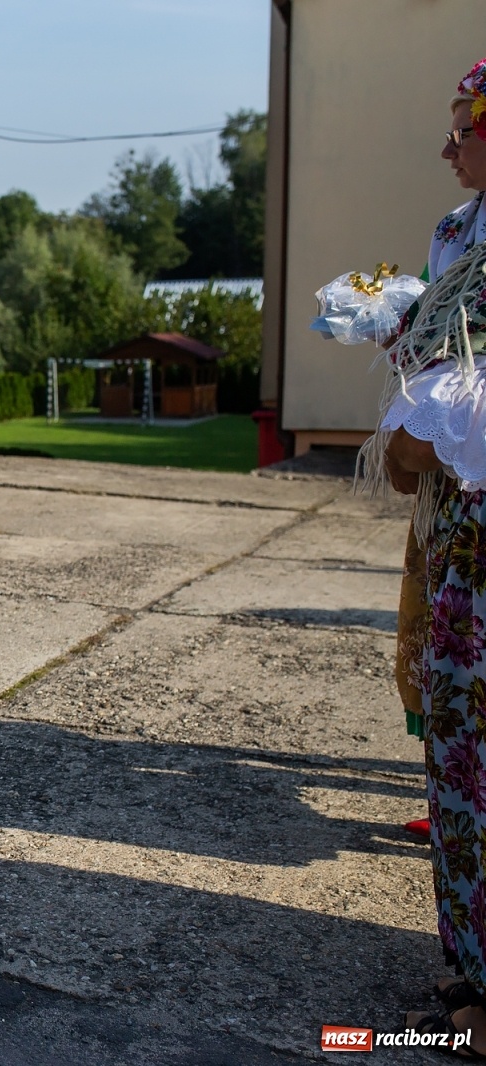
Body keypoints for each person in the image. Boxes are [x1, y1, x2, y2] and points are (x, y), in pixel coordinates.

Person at [378, 57, 486, 1052]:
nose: (447, 143)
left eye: (463, 125)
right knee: (454, 736)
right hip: (455, 529)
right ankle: (471, 972)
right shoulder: (461, 231)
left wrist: (431, 428)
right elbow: (434, 350)